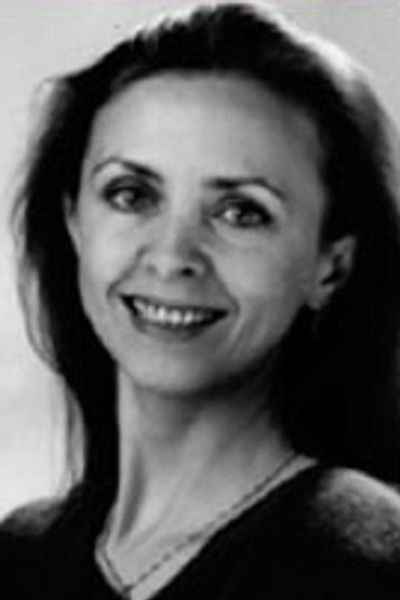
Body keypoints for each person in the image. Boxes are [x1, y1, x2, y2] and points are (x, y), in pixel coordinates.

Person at [2, 2, 400, 598]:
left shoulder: (366, 563)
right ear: (74, 222)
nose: (171, 257)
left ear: (330, 266)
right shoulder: (18, 557)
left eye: (241, 212)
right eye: (131, 195)